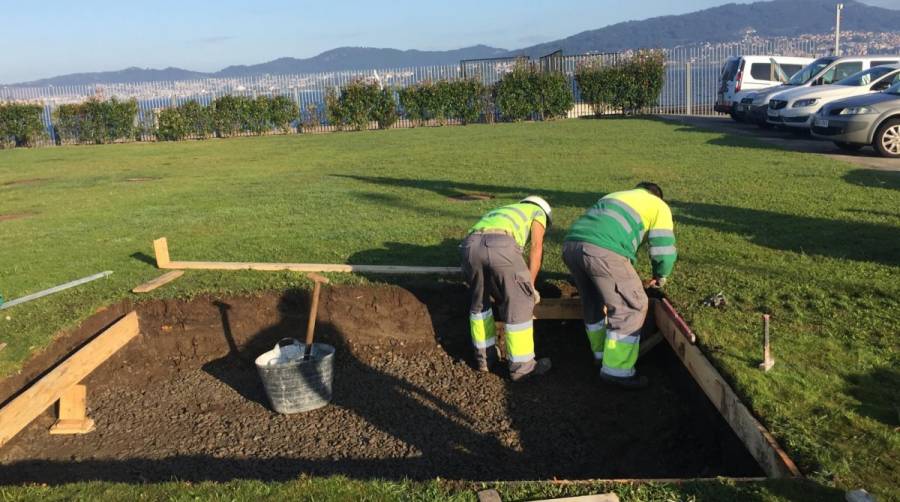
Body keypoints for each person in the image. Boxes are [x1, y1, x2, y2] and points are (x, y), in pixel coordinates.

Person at [562, 182, 676, 389]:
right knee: (632, 305)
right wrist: (661, 275)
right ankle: (617, 370)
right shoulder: (658, 206)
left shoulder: (614, 195)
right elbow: (663, 249)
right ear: (658, 196)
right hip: (602, 251)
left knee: (593, 301)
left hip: (571, 246)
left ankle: (600, 354)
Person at [460, 196, 553, 382]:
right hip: (501, 245)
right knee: (520, 301)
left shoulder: (505, 209)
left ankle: (484, 359)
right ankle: (523, 368)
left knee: (479, 304)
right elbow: (536, 247)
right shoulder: (538, 212)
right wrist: (530, 286)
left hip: (469, 246)